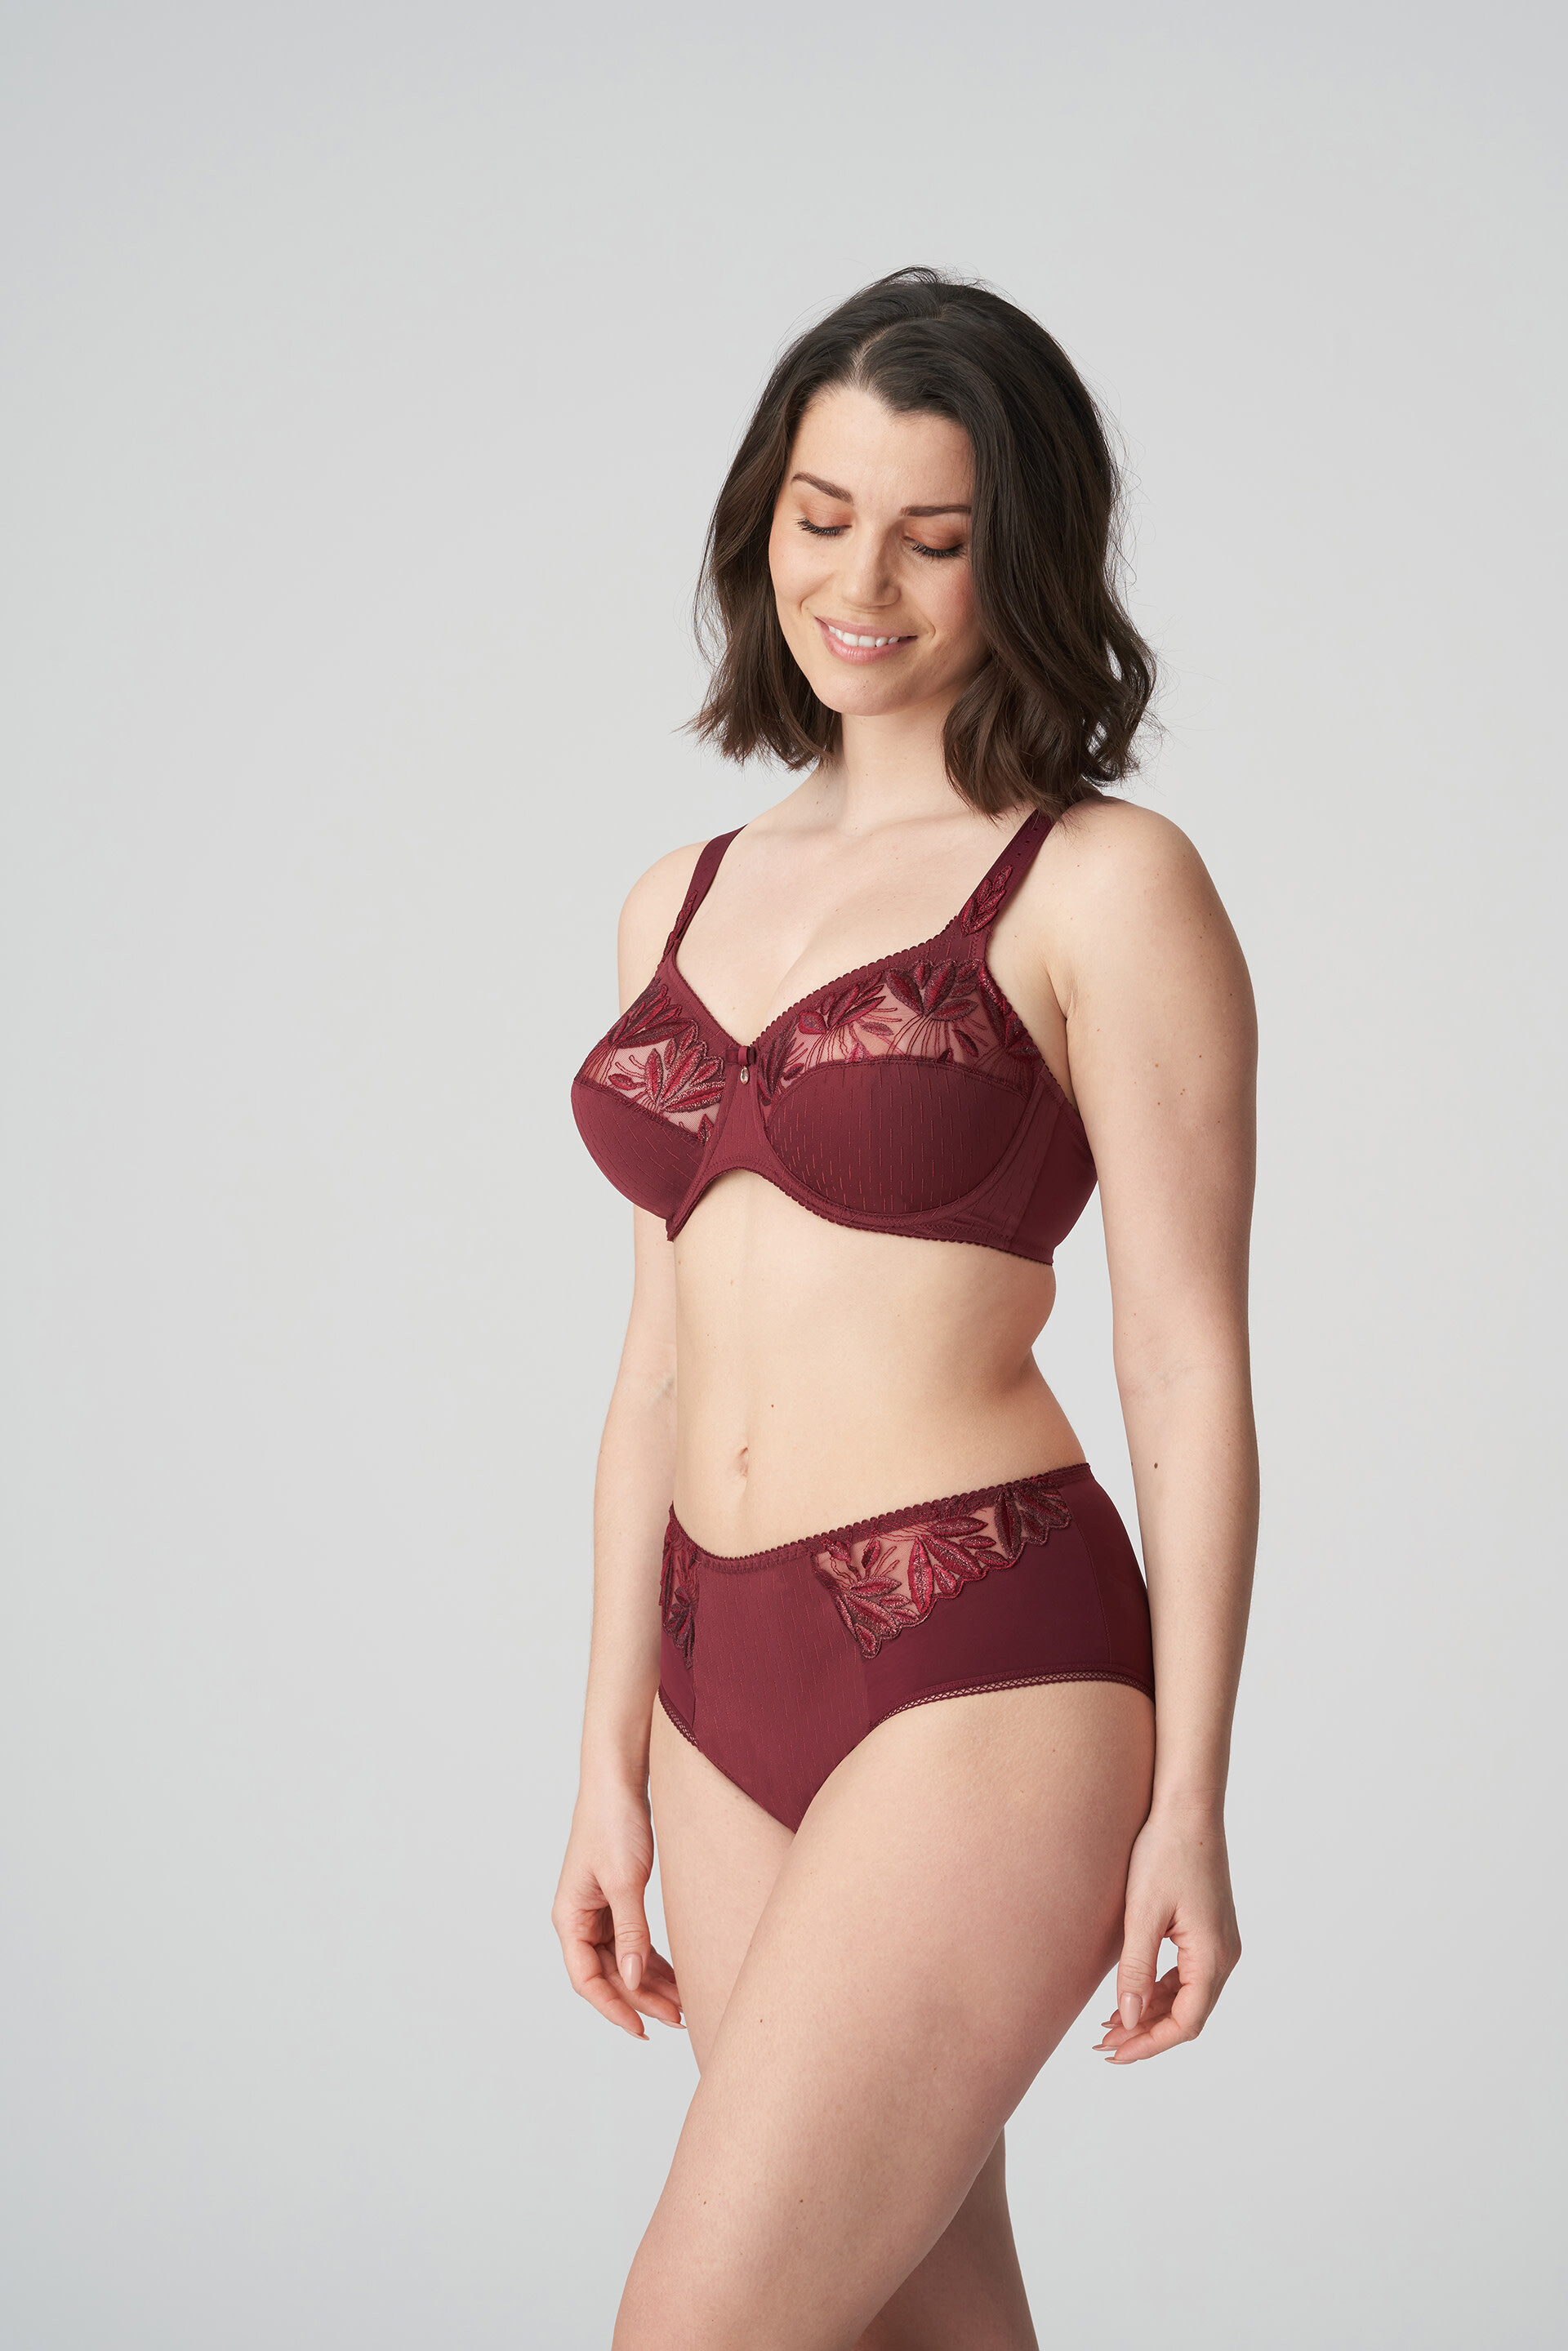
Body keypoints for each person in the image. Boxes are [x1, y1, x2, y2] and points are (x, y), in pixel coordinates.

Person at [553, 266, 1258, 2351]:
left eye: (935, 538)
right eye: (821, 515)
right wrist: (605, 1757)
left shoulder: (1104, 882)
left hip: (982, 1655)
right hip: (716, 1675)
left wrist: (1194, 1802)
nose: (861, 583)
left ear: (1019, 558)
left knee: (700, 2326)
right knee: (907, 2323)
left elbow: (1184, 1365)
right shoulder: (675, 898)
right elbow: (652, 1373)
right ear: (760, 522)